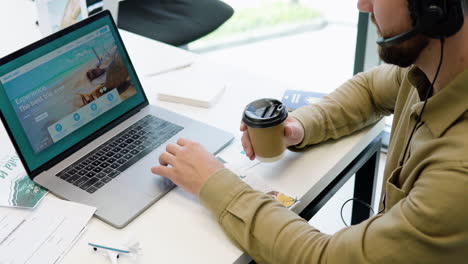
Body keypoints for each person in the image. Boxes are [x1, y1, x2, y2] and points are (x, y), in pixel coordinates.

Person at [151, 0, 468, 263]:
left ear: (435, 6)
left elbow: (322, 258)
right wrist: (298, 127)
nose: (363, 6)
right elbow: (372, 89)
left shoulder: (457, 175)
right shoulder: (438, 67)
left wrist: (214, 183)